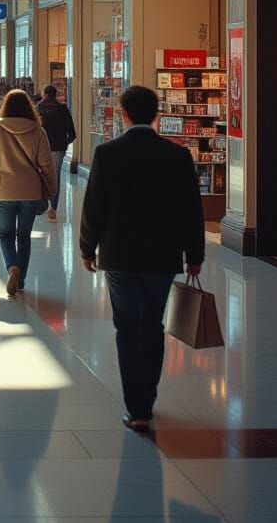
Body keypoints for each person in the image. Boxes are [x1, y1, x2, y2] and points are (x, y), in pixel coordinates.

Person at [79, 85, 205, 432]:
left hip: (119, 255)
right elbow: (191, 211)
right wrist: (195, 254)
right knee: (152, 326)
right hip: (162, 257)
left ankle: (135, 406)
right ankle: (146, 402)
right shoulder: (178, 156)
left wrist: (87, 248)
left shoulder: (107, 154)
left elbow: (94, 208)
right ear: (156, 115)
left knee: (126, 327)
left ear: (124, 113)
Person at [0, 89, 57, 298]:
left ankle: (11, 267)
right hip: (30, 192)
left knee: (6, 234)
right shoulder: (38, 131)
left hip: (3, 190)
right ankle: (20, 279)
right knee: (23, 236)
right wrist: (51, 190)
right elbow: (47, 165)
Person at [37, 83, 76, 222]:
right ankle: (53, 208)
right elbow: (72, 133)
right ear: (55, 94)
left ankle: (42, 203)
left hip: (40, 148)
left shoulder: (38, 109)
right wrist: (65, 143)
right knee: (55, 176)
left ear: (45, 94)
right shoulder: (63, 109)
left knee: (41, 175)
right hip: (58, 147)